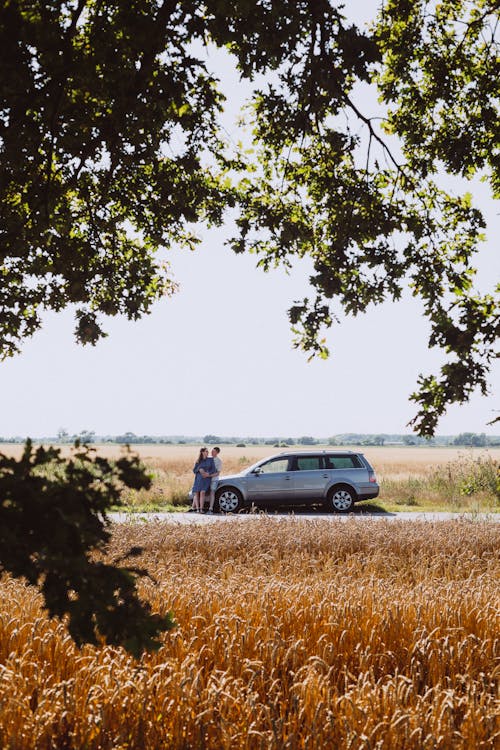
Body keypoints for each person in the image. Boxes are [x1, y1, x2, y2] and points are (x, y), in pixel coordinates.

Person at [191, 447, 215, 513]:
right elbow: (194, 470)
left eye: (207, 451)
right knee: (197, 493)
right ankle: (197, 509)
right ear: (202, 452)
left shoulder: (210, 459)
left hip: (206, 478)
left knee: (203, 492)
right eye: (206, 451)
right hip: (198, 478)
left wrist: (208, 473)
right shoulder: (198, 461)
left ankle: (201, 509)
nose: (207, 453)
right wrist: (199, 469)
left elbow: (213, 469)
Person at [207, 446, 222, 514]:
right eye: (211, 451)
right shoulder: (208, 459)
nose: (212, 452)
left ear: (217, 452)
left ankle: (211, 508)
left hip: (214, 479)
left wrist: (209, 475)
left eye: (213, 451)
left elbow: (218, 473)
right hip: (206, 479)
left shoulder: (219, 461)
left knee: (212, 492)